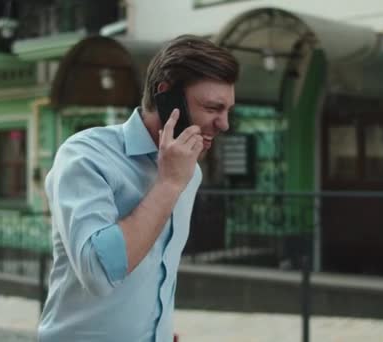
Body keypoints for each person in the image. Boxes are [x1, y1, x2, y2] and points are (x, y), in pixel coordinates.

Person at [38, 35, 239, 342]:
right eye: (213, 108)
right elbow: (99, 272)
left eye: (227, 111)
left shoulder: (190, 172)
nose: (224, 124)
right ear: (166, 95)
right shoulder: (85, 155)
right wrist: (168, 184)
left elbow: (158, 272)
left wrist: (156, 329)